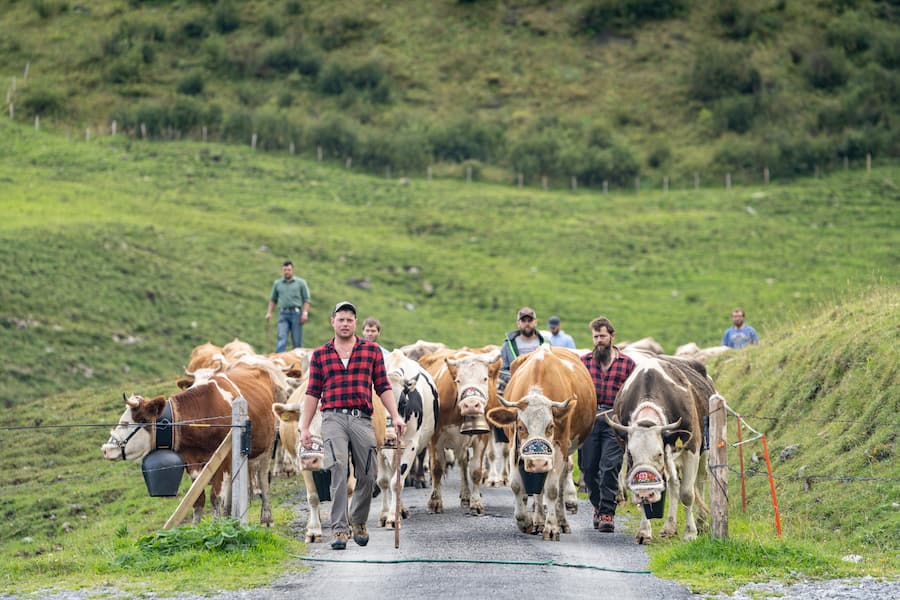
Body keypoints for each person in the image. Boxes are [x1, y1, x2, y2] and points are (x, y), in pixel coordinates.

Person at [299, 301, 406, 550]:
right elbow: (313, 392)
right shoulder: (320, 355)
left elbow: (383, 386)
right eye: (341, 319)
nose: (345, 324)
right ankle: (339, 529)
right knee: (337, 469)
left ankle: (358, 521)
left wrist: (396, 416)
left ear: (355, 323)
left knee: (368, 473)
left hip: (361, 418)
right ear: (332, 322)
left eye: (349, 319)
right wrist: (305, 427)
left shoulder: (371, 351)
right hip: (332, 418)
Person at [580, 316, 636, 533]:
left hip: (614, 421)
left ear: (612, 336)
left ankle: (607, 513)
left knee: (610, 466)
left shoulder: (627, 364)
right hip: (589, 420)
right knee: (588, 468)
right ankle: (597, 505)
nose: (599, 340)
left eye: (602, 336)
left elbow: (633, 395)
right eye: (595, 336)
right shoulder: (583, 363)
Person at [265, 260, 311, 352]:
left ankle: (298, 362)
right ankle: (279, 360)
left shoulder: (300, 283)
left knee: (297, 341)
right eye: (285, 270)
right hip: (283, 313)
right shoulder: (277, 284)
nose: (287, 272)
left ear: (293, 270)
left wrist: (305, 313)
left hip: (296, 313)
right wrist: (269, 313)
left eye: (289, 270)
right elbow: (273, 299)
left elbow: (306, 299)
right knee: (281, 338)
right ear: (282, 271)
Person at [498, 307, 546, 393]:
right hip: (515, 390)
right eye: (523, 321)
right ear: (518, 323)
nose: (527, 324)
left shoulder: (546, 344)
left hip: (542, 389)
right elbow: (502, 370)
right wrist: (518, 379)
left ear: (535, 322)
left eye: (530, 321)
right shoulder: (508, 345)